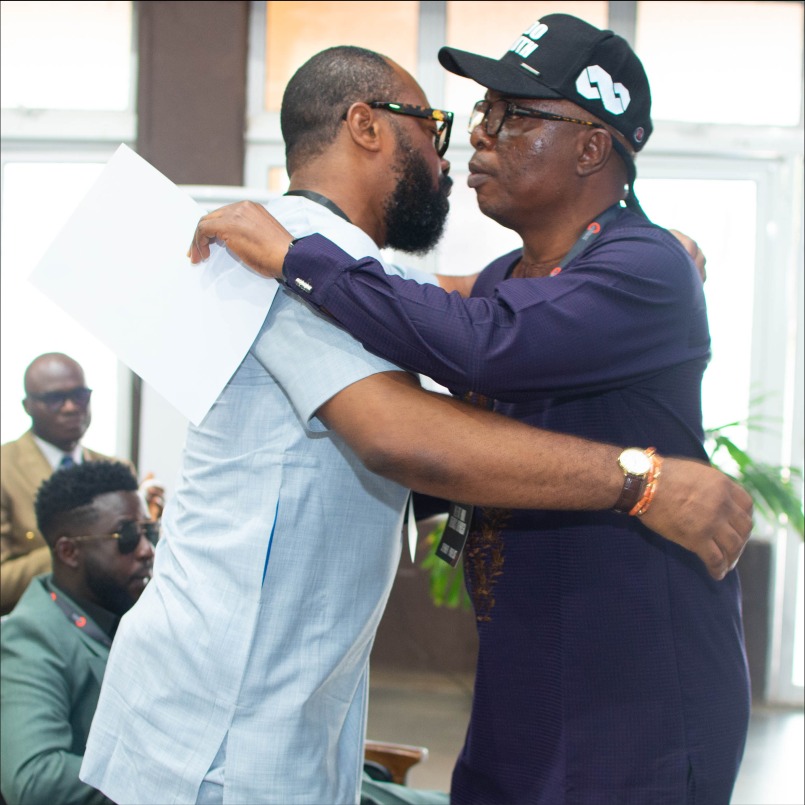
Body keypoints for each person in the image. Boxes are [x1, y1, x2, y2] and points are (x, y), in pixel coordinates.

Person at [83, 45, 749, 805]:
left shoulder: (327, 265)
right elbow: (407, 435)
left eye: (509, 115)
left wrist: (653, 255)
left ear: (592, 148)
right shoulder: (291, 257)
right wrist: (642, 482)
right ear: (366, 127)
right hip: (239, 715)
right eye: (448, 121)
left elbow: (465, 323)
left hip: (629, 689)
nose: (468, 139)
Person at [0, 460, 156, 805]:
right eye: (127, 536)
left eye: (150, 532)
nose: (147, 550)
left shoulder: (132, 612)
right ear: (69, 552)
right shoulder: (31, 637)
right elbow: (33, 779)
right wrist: (158, 772)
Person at [1, 352, 164, 615]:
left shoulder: (115, 468)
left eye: (80, 396)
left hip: (114, 619)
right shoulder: (5, 468)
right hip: (37, 621)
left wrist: (145, 528)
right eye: (55, 398)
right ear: (27, 405)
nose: (70, 407)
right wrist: (82, 544)